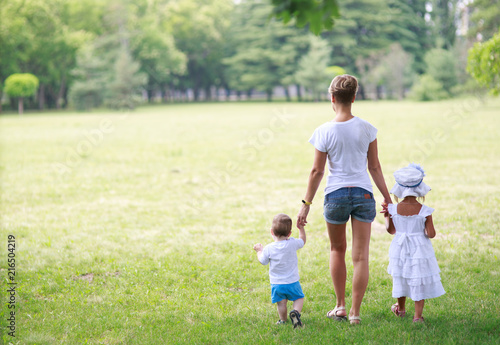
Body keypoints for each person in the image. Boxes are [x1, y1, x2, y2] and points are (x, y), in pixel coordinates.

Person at [297, 74, 392, 324]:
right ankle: (355, 313)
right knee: (361, 256)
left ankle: (340, 306)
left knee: (337, 250)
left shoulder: (323, 131)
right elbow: (375, 167)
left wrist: (305, 206)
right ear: (353, 97)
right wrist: (387, 198)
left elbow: (317, 171)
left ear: (332, 98)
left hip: (335, 195)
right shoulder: (367, 128)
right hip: (363, 194)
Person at [384, 163, 445, 323]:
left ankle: (401, 308)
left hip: (400, 248)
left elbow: (391, 230)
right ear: (419, 189)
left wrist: (387, 216)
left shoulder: (393, 209)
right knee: (418, 279)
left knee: (401, 276)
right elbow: (431, 234)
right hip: (420, 250)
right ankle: (417, 316)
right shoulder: (425, 211)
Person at [253, 213, 306, 328]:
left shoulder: (269, 248)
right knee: (299, 298)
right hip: (292, 282)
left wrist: (259, 251)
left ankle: (283, 320)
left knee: (281, 303)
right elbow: (302, 241)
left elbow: (263, 261)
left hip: (277, 284)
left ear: (272, 232)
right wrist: (301, 229)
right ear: (289, 233)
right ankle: (295, 312)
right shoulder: (292, 243)